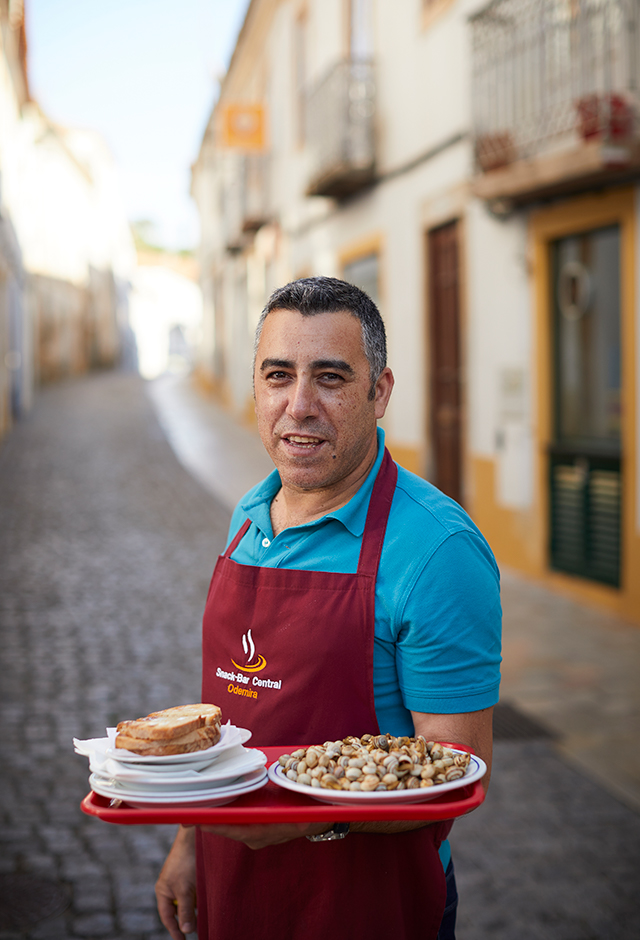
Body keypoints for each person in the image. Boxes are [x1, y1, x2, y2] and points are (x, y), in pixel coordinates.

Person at [155, 276, 502, 940]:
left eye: (332, 378)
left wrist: (309, 814)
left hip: (367, 903)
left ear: (381, 393)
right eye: (279, 375)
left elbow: (459, 767)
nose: (299, 405)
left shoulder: (438, 548)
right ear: (255, 388)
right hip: (234, 888)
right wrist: (190, 840)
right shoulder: (246, 516)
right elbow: (230, 712)